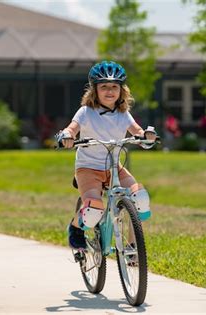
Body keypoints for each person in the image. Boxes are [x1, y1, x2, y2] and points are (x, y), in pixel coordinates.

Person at [56, 61, 157, 250]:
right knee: (94, 209)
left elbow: (137, 131)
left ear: (121, 90)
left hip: (114, 168)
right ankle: (75, 228)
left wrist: (146, 136)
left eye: (114, 87)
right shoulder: (86, 112)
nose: (109, 91)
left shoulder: (123, 113)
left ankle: (132, 249)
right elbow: (72, 128)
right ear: (94, 90)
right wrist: (67, 136)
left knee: (140, 198)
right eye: (104, 87)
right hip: (88, 169)